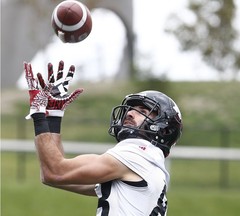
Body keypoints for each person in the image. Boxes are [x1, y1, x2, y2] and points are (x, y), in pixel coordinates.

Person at [24, 60, 183, 216]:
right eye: (131, 109)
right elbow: (55, 176)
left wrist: (39, 114)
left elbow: (55, 172)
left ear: (164, 128)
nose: (129, 113)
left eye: (142, 110)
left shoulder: (137, 154)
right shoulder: (147, 164)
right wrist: (53, 115)